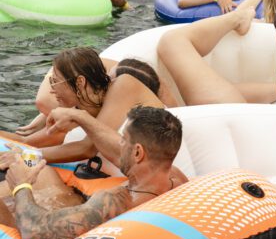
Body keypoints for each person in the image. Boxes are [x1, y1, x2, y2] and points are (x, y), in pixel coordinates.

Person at [0, 106, 186, 239]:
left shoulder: (116, 202)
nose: (118, 144)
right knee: (45, 174)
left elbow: (34, 232)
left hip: (39, 231)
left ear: (138, 152)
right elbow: (117, 150)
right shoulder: (175, 178)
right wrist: (78, 116)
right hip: (69, 205)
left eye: (123, 139)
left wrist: (21, 185)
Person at [0, 49, 165, 168]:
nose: (51, 90)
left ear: (80, 82)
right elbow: (26, 141)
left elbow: (88, 149)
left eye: (54, 82)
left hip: (163, 171)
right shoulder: (84, 106)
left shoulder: (124, 85)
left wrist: (26, 157)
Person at [158, 0, 276, 106]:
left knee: (171, 41)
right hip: (228, 112)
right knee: (171, 41)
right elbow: (183, 0)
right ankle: (238, 18)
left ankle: (238, 18)